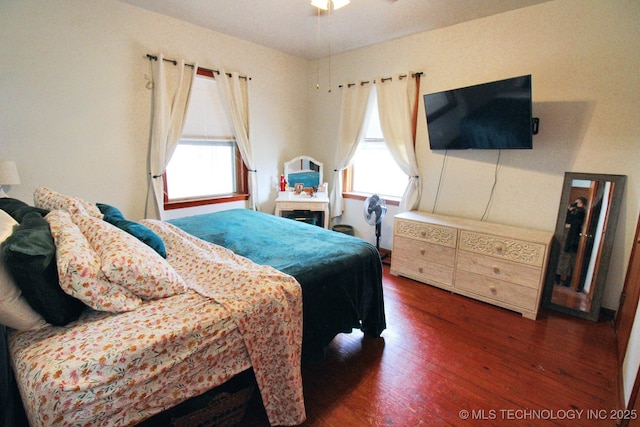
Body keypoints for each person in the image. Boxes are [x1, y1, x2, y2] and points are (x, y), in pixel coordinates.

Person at [556, 197, 587, 288]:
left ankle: (568, 280)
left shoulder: (582, 212)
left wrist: (576, 211)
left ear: (582, 204)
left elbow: (576, 222)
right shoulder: (573, 211)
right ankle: (557, 277)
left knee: (571, 260)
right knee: (561, 258)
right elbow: (567, 220)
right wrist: (569, 210)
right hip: (566, 237)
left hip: (573, 239)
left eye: (577, 203)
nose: (575, 204)